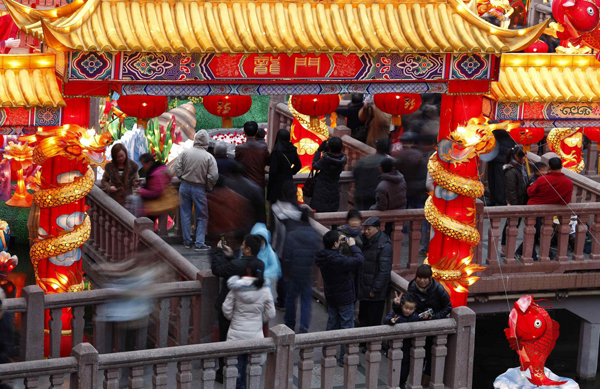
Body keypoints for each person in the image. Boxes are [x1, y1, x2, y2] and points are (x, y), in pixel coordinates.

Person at [212, 234, 263, 383]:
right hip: (249, 312)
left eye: (243, 245)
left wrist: (218, 252)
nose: (241, 247)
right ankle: (240, 371)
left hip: (230, 310)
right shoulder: (259, 265)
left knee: (225, 340)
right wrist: (231, 256)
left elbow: (217, 269)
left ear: (247, 249)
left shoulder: (238, 266)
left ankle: (223, 372)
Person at [223, 258, 276, 389]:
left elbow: (226, 308)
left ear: (248, 270)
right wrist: (260, 319)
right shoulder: (265, 290)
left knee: (236, 368)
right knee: (252, 368)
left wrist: (233, 318)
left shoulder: (236, 288)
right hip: (255, 335)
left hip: (236, 334)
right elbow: (271, 313)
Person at [316, 230, 364, 366]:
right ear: (335, 244)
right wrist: (353, 246)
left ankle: (328, 354)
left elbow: (333, 254)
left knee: (332, 324)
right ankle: (345, 358)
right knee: (347, 327)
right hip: (344, 297)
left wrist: (339, 244)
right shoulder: (339, 260)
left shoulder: (322, 255)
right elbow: (359, 260)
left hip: (331, 295)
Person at [515, 158, 573, 260]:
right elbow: (565, 201)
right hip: (549, 211)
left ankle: (524, 252)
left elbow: (530, 192)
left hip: (534, 209)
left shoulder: (542, 179)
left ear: (549, 167)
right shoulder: (568, 182)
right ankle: (531, 253)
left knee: (534, 232)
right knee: (539, 232)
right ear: (562, 167)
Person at [405, 265, 452, 380]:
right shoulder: (412, 287)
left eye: (425, 278)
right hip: (418, 323)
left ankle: (426, 377)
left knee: (431, 352)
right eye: (419, 277)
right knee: (415, 352)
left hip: (433, 326)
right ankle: (414, 377)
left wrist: (434, 316)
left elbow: (448, 307)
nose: (422, 281)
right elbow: (407, 304)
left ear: (430, 278)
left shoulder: (439, 289)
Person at [174, 130, 219, 251]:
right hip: (199, 188)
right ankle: (199, 243)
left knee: (185, 214)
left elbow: (177, 167)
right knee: (202, 216)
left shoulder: (185, 153)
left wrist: (181, 177)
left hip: (184, 186)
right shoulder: (208, 157)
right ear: (206, 142)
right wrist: (209, 185)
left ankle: (187, 241)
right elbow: (213, 176)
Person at [283, 209, 320, 333]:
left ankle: (289, 324)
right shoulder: (314, 234)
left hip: (293, 273)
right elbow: (317, 255)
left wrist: (286, 273)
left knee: (291, 299)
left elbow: (287, 256)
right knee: (306, 300)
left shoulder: (293, 234)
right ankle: (304, 326)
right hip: (307, 273)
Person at [358, 217, 393, 332]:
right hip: (364, 287)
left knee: (373, 321)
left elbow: (384, 271)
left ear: (377, 228)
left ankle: (371, 347)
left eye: (369, 229)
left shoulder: (384, 245)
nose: (366, 232)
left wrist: (375, 289)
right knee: (363, 318)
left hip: (375, 292)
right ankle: (363, 343)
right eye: (365, 229)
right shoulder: (363, 239)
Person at [383, 293, 420, 389]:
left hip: (408, 347)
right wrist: (391, 321)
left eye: (411, 309)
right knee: (395, 367)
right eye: (406, 307)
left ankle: (401, 383)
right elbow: (386, 319)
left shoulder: (415, 317)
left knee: (405, 369)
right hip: (396, 346)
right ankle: (395, 384)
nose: (408, 311)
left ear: (415, 309)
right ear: (402, 305)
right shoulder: (397, 313)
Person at [501, 147, 528, 255]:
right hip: (516, 202)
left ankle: (508, 246)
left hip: (521, 200)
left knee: (514, 225)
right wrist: (515, 205)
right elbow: (511, 190)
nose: (524, 158)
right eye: (522, 156)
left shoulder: (520, 167)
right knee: (510, 225)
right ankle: (505, 247)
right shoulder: (511, 171)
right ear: (516, 157)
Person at [310, 137, 347, 212]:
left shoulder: (325, 159)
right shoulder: (343, 159)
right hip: (334, 190)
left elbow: (315, 165)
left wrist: (318, 151)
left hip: (321, 191)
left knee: (320, 214)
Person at [267, 130, 302, 204]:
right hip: (288, 181)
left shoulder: (276, 151)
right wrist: (290, 172)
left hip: (277, 184)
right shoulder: (292, 149)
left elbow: (273, 170)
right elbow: (298, 165)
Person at [352, 138, 389, 210]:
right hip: (376, 197)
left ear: (376, 147)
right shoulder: (387, 163)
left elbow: (355, 172)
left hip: (361, 194)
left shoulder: (365, 159)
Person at [135, 153, 172, 220]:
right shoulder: (159, 170)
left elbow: (156, 192)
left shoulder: (156, 174)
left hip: (155, 206)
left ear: (149, 163)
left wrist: (142, 191)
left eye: (144, 165)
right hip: (156, 205)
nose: (143, 168)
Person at [250, 223, 282, 299]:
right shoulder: (249, 250)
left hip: (265, 287)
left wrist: (261, 276)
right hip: (250, 285)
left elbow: (275, 269)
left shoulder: (269, 252)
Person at [235, 121, 270, 189]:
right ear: (256, 132)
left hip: (245, 184)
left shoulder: (239, 148)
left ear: (244, 132)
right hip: (259, 183)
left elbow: (236, 164)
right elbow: (268, 161)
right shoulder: (263, 148)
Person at [487, 129, 516, 206]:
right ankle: (493, 199)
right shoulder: (496, 135)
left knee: (499, 181)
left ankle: (500, 201)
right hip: (493, 159)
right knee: (492, 180)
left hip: (501, 161)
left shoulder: (505, 133)